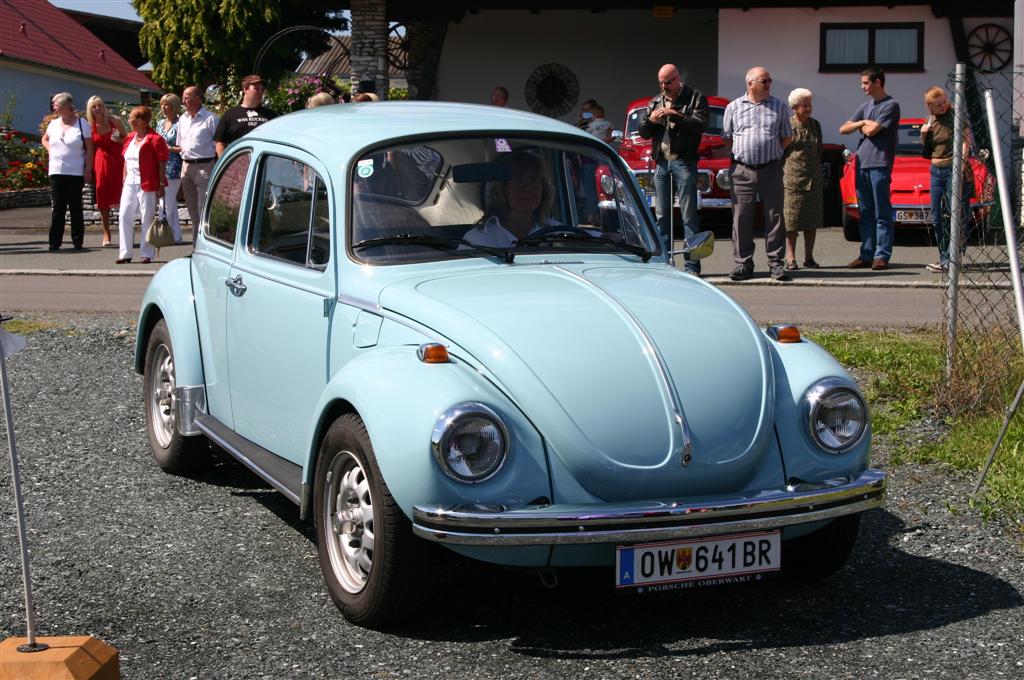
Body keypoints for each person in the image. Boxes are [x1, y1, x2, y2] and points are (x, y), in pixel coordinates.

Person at [722, 66, 792, 281]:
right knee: (742, 218)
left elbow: (787, 137)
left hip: (770, 168)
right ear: (750, 84)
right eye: (764, 81)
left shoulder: (779, 106)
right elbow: (727, 138)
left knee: (775, 217)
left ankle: (776, 263)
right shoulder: (733, 107)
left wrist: (774, 151)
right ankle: (744, 264)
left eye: (770, 80)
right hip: (742, 170)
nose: (769, 84)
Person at [638, 63, 709, 275]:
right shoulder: (655, 100)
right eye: (660, 82)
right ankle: (664, 263)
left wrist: (675, 114)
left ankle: (692, 266)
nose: (663, 86)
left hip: (684, 161)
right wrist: (651, 120)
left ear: (677, 79)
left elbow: (700, 125)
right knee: (661, 216)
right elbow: (644, 132)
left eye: (667, 82)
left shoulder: (695, 97)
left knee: (689, 216)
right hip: (662, 161)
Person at [840, 66, 900, 271]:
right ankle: (866, 254)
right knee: (865, 212)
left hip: (879, 164)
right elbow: (843, 128)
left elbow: (873, 131)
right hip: (861, 164)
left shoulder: (891, 105)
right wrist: (862, 122)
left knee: (882, 211)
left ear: (877, 83)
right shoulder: (865, 106)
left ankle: (881, 255)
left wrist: (862, 124)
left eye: (866, 83)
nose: (862, 86)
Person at [920, 86, 974, 274]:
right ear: (930, 107)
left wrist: (961, 163)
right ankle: (944, 258)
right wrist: (923, 133)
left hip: (953, 167)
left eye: (944, 102)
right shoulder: (931, 120)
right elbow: (927, 149)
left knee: (955, 212)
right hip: (936, 170)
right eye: (938, 105)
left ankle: (954, 257)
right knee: (937, 217)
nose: (943, 106)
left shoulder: (956, 115)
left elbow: (967, 141)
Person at [463, 151, 556, 248]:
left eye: (533, 180)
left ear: (543, 188)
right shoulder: (477, 240)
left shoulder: (557, 232)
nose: (528, 188)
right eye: (518, 181)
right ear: (503, 189)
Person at [41, 92, 94, 251]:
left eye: (56, 105)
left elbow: (90, 148)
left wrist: (88, 169)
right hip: (57, 170)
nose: (54, 107)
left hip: (75, 171)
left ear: (66, 106)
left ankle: (77, 240)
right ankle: (54, 242)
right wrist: (50, 150)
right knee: (58, 207)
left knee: (75, 206)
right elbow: (44, 139)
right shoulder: (53, 124)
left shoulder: (81, 123)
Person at [115, 106, 168, 264]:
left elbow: (161, 162)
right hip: (130, 183)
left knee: (147, 217)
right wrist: (124, 178)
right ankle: (125, 253)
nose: (129, 121)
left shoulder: (155, 139)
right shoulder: (130, 137)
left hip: (148, 182)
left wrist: (160, 184)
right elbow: (125, 159)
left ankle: (147, 253)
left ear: (141, 121)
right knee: (124, 215)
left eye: (132, 118)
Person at [782, 88, 823, 270]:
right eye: (804, 105)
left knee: (811, 221)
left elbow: (819, 150)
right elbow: (781, 152)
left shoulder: (815, 125)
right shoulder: (788, 126)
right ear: (795, 107)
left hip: (813, 179)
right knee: (791, 222)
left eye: (810, 105)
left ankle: (809, 257)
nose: (808, 108)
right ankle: (790, 258)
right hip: (792, 180)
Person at [177, 85, 218, 239]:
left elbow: (218, 145)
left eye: (186, 97)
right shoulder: (182, 119)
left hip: (204, 166)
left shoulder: (211, 119)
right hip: (186, 166)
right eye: (183, 97)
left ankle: (205, 243)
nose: (183, 101)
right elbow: (181, 144)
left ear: (198, 99)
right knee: (192, 209)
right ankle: (196, 245)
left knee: (203, 208)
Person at [85, 96, 125, 247]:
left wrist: (117, 138)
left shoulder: (114, 121)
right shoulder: (90, 125)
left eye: (100, 105)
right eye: (94, 107)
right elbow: (90, 147)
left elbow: (126, 140)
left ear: (104, 107)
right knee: (102, 194)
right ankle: (106, 232)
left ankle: (125, 232)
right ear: (90, 109)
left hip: (117, 159)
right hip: (101, 160)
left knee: (122, 195)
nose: (97, 109)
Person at [213, 74, 277, 157]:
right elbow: (220, 143)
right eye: (256, 88)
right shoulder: (230, 114)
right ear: (245, 89)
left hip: (264, 162)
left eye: (262, 89)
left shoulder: (270, 115)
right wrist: (228, 167)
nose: (260, 92)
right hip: (238, 163)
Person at [156, 93, 184, 243]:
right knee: (168, 200)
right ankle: (176, 235)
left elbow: (185, 147)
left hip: (174, 166)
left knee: (167, 200)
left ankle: (164, 233)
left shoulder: (180, 124)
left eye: (167, 104)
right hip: (161, 166)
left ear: (174, 107)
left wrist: (170, 148)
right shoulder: (160, 123)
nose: (164, 107)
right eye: (162, 104)